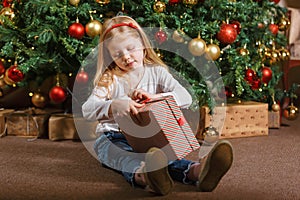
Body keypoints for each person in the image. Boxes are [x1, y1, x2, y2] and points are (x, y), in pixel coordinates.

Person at [82, 15, 233, 196]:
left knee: (164, 156)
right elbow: (87, 110)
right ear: (110, 57)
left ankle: (199, 172)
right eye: (117, 54)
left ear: (143, 46)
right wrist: (113, 105)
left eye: (131, 48)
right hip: (113, 137)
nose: (126, 57)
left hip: (150, 136)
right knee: (125, 156)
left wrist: (156, 98)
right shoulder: (109, 79)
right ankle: (145, 175)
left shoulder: (157, 72)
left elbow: (186, 97)